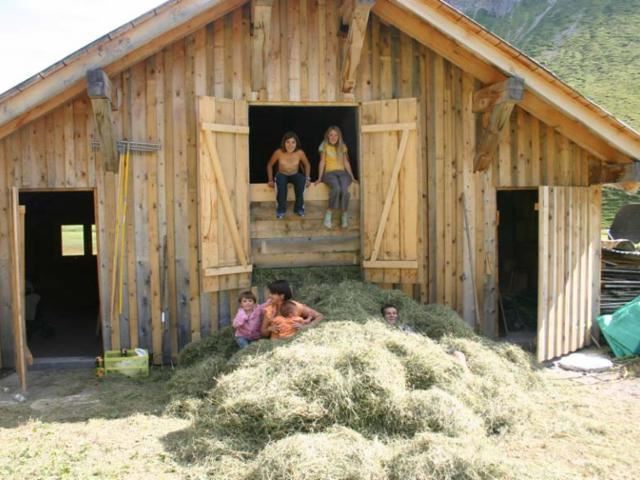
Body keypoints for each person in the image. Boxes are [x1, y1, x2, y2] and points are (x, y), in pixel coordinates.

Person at [315, 126, 357, 229]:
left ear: (339, 136)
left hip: (343, 173)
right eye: (331, 135)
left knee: (344, 190)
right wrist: (319, 177)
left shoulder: (342, 146)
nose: (333, 137)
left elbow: (346, 162)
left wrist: (352, 176)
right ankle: (328, 215)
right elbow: (322, 162)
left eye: (336, 135)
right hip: (329, 173)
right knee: (336, 188)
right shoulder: (324, 145)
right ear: (327, 136)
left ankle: (344, 215)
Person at [266, 131, 311, 219]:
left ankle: (299, 208)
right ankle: (281, 209)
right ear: (284, 143)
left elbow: (307, 164)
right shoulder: (278, 152)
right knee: (281, 184)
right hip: (282, 174)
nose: (290, 145)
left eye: (293, 142)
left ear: (296, 143)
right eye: (288, 142)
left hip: (294, 174)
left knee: (301, 180)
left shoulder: (300, 153)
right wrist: (270, 179)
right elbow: (269, 165)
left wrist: (308, 178)